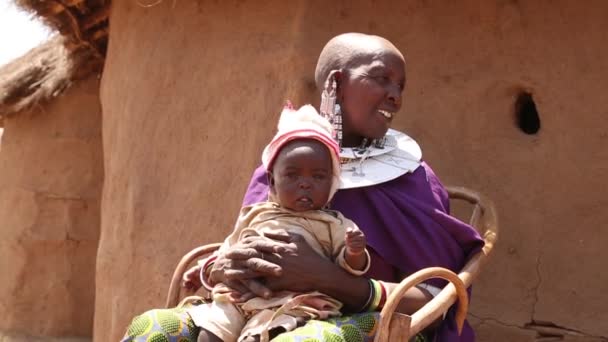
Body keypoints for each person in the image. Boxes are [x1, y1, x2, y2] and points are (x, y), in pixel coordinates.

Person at [122, 33, 484, 342]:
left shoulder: (413, 180)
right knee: (154, 328)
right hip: (255, 309)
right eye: (381, 79)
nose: (395, 96)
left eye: (400, 86)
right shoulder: (282, 166)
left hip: (371, 320)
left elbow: (440, 299)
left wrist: (329, 279)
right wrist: (221, 268)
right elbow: (242, 240)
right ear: (338, 83)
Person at [191, 104, 373, 342]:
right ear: (272, 182)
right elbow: (229, 249)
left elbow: (349, 266)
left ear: (332, 184)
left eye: (318, 176)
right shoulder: (255, 214)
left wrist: (355, 251)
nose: (305, 184)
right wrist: (209, 266)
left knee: (261, 335)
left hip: (293, 302)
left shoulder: (334, 224)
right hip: (240, 296)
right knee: (210, 333)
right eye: (293, 175)